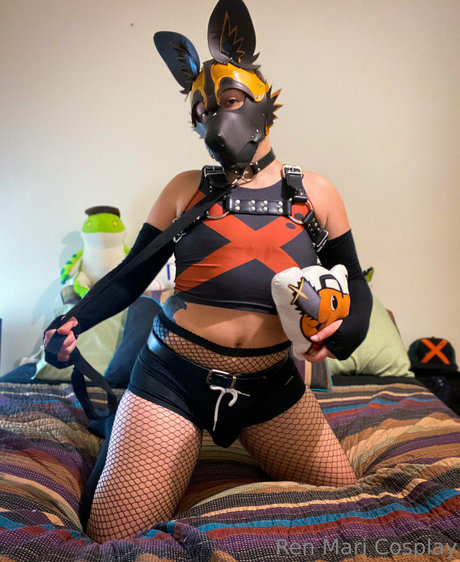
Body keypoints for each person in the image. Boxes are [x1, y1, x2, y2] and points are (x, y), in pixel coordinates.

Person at [44, 0, 372, 543]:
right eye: (200, 111)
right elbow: (132, 274)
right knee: (111, 537)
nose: (213, 119)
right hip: (171, 380)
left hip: (273, 386)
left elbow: (354, 280)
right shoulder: (185, 189)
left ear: (260, 97)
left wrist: (346, 334)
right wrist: (74, 321)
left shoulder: (316, 193)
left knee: (354, 514)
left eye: (229, 100)